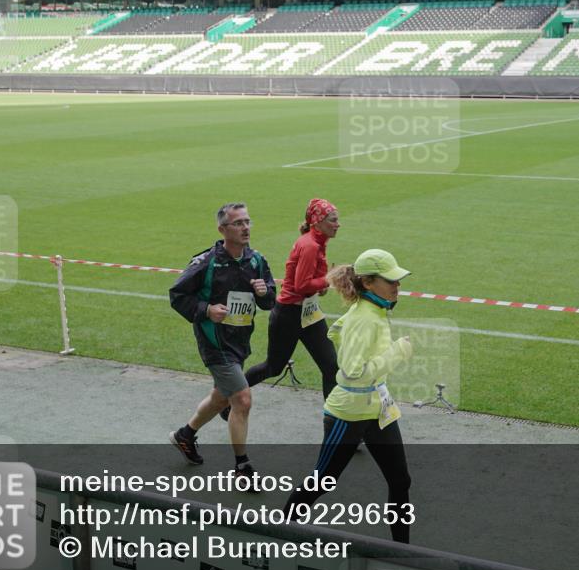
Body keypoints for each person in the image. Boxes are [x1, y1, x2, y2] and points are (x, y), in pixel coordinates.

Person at [286, 249, 413, 543]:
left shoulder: (372, 310)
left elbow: (337, 332)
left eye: (398, 280)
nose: (397, 285)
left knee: (400, 480)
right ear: (368, 283)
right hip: (348, 414)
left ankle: (402, 552)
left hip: (377, 410)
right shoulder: (366, 318)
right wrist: (397, 353)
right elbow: (354, 373)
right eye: (390, 280)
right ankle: (278, 533)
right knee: (322, 481)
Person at [168, 202, 275, 481]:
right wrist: (206, 310)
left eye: (247, 222)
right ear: (222, 229)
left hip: (240, 341)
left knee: (221, 397)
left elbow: (270, 300)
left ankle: (185, 435)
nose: (245, 228)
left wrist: (264, 293)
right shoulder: (206, 262)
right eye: (238, 223)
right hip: (214, 342)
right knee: (241, 398)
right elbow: (177, 295)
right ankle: (242, 467)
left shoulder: (256, 260)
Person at [221, 199, 340, 421]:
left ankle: (334, 422)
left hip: (308, 314)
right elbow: (302, 285)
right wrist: (328, 280)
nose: (338, 224)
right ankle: (227, 400)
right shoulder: (310, 245)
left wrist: (322, 285)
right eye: (333, 220)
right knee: (273, 367)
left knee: (331, 367)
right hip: (288, 316)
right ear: (318, 222)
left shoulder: (317, 242)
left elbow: (307, 284)